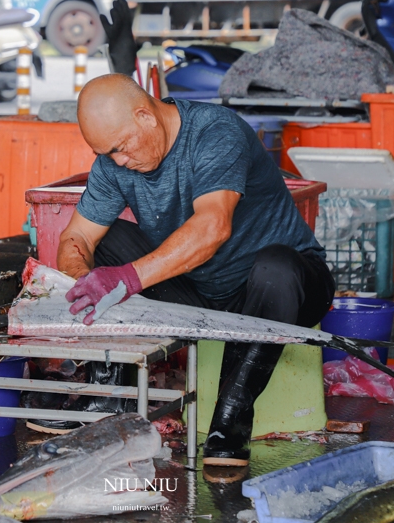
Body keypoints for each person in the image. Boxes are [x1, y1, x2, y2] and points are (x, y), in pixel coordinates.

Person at [30, 70, 335, 470]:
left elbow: (213, 228)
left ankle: (232, 418)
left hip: (282, 291)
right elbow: (77, 239)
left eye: (121, 147)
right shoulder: (114, 162)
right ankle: (109, 393)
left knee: (274, 268)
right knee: (107, 242)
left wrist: (126, 279)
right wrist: (79, 281)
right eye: (107, 154)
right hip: (201, 292)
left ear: (146, 116)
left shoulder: (215, 133)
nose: (118, 160)